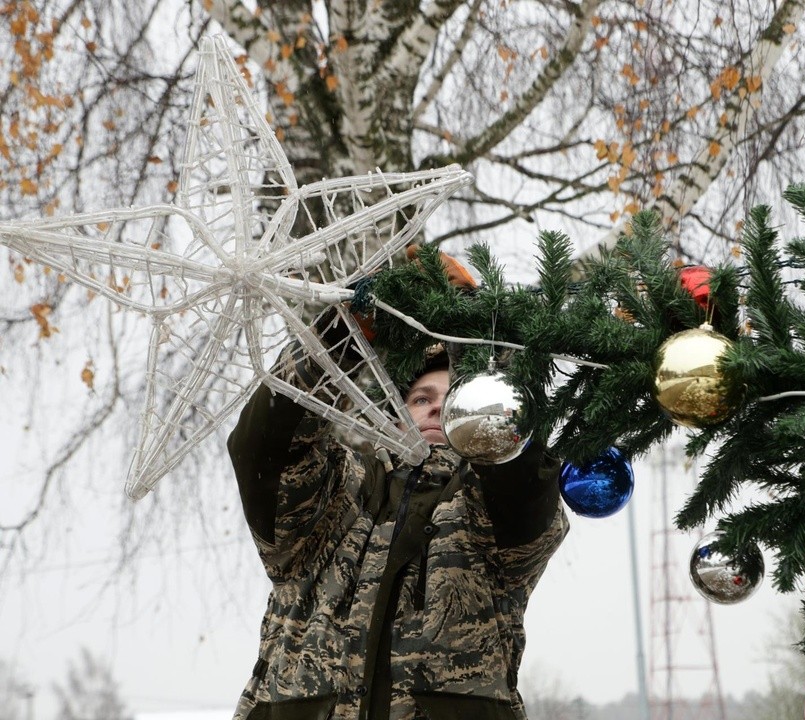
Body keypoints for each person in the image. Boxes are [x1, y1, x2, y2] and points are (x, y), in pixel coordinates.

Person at [227, 298, 568, 720]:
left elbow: (524, 485)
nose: (438, 407)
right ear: (395, 415)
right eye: (421, 398)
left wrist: (475, 344)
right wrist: (342, 335)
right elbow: (262, 449)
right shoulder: (337, 495)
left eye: (457, 397)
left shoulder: (487, 510)